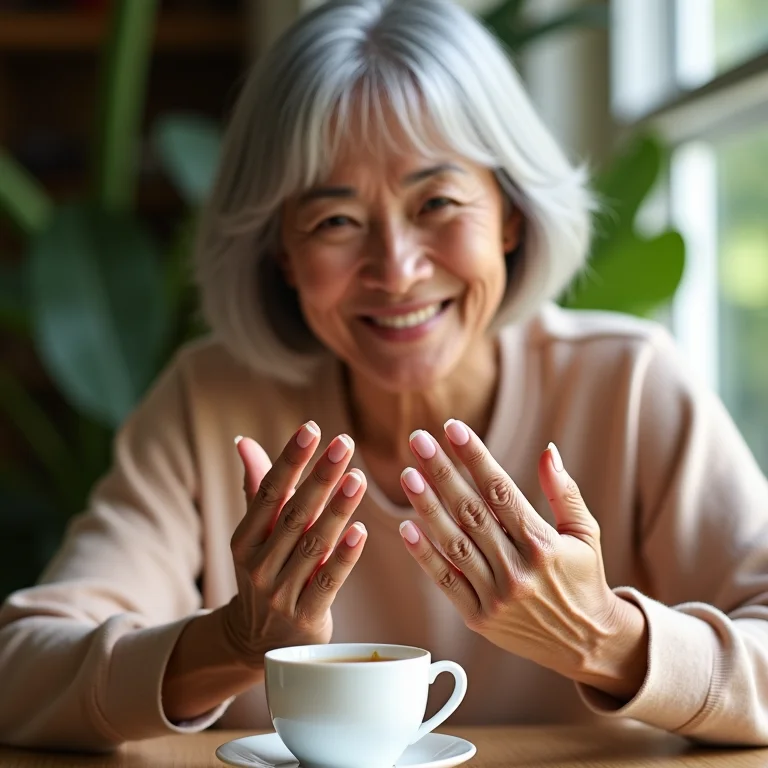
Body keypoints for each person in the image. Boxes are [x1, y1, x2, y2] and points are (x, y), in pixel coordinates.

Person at [2, 0, 768, 752]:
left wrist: (604, 636)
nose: (396, 271)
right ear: (282, 252)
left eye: (437, 201)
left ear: (509, 214)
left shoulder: (632, 385)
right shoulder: (208, 402)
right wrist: (235, 640)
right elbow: (20, 672)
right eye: (335, 221)